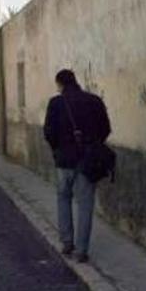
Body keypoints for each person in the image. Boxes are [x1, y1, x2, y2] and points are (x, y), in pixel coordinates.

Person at [43, 69, 111, 263]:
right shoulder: (94, 101)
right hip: (88, 161)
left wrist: (58, 149)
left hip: (64, 161)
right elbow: (106, 129)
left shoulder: (55, 103)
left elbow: (48, 132)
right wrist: (92, 145)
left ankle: (67, 242)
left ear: (59, 84)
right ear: (76, 81)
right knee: (85, 204)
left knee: (63, 198)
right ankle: (81, 250)